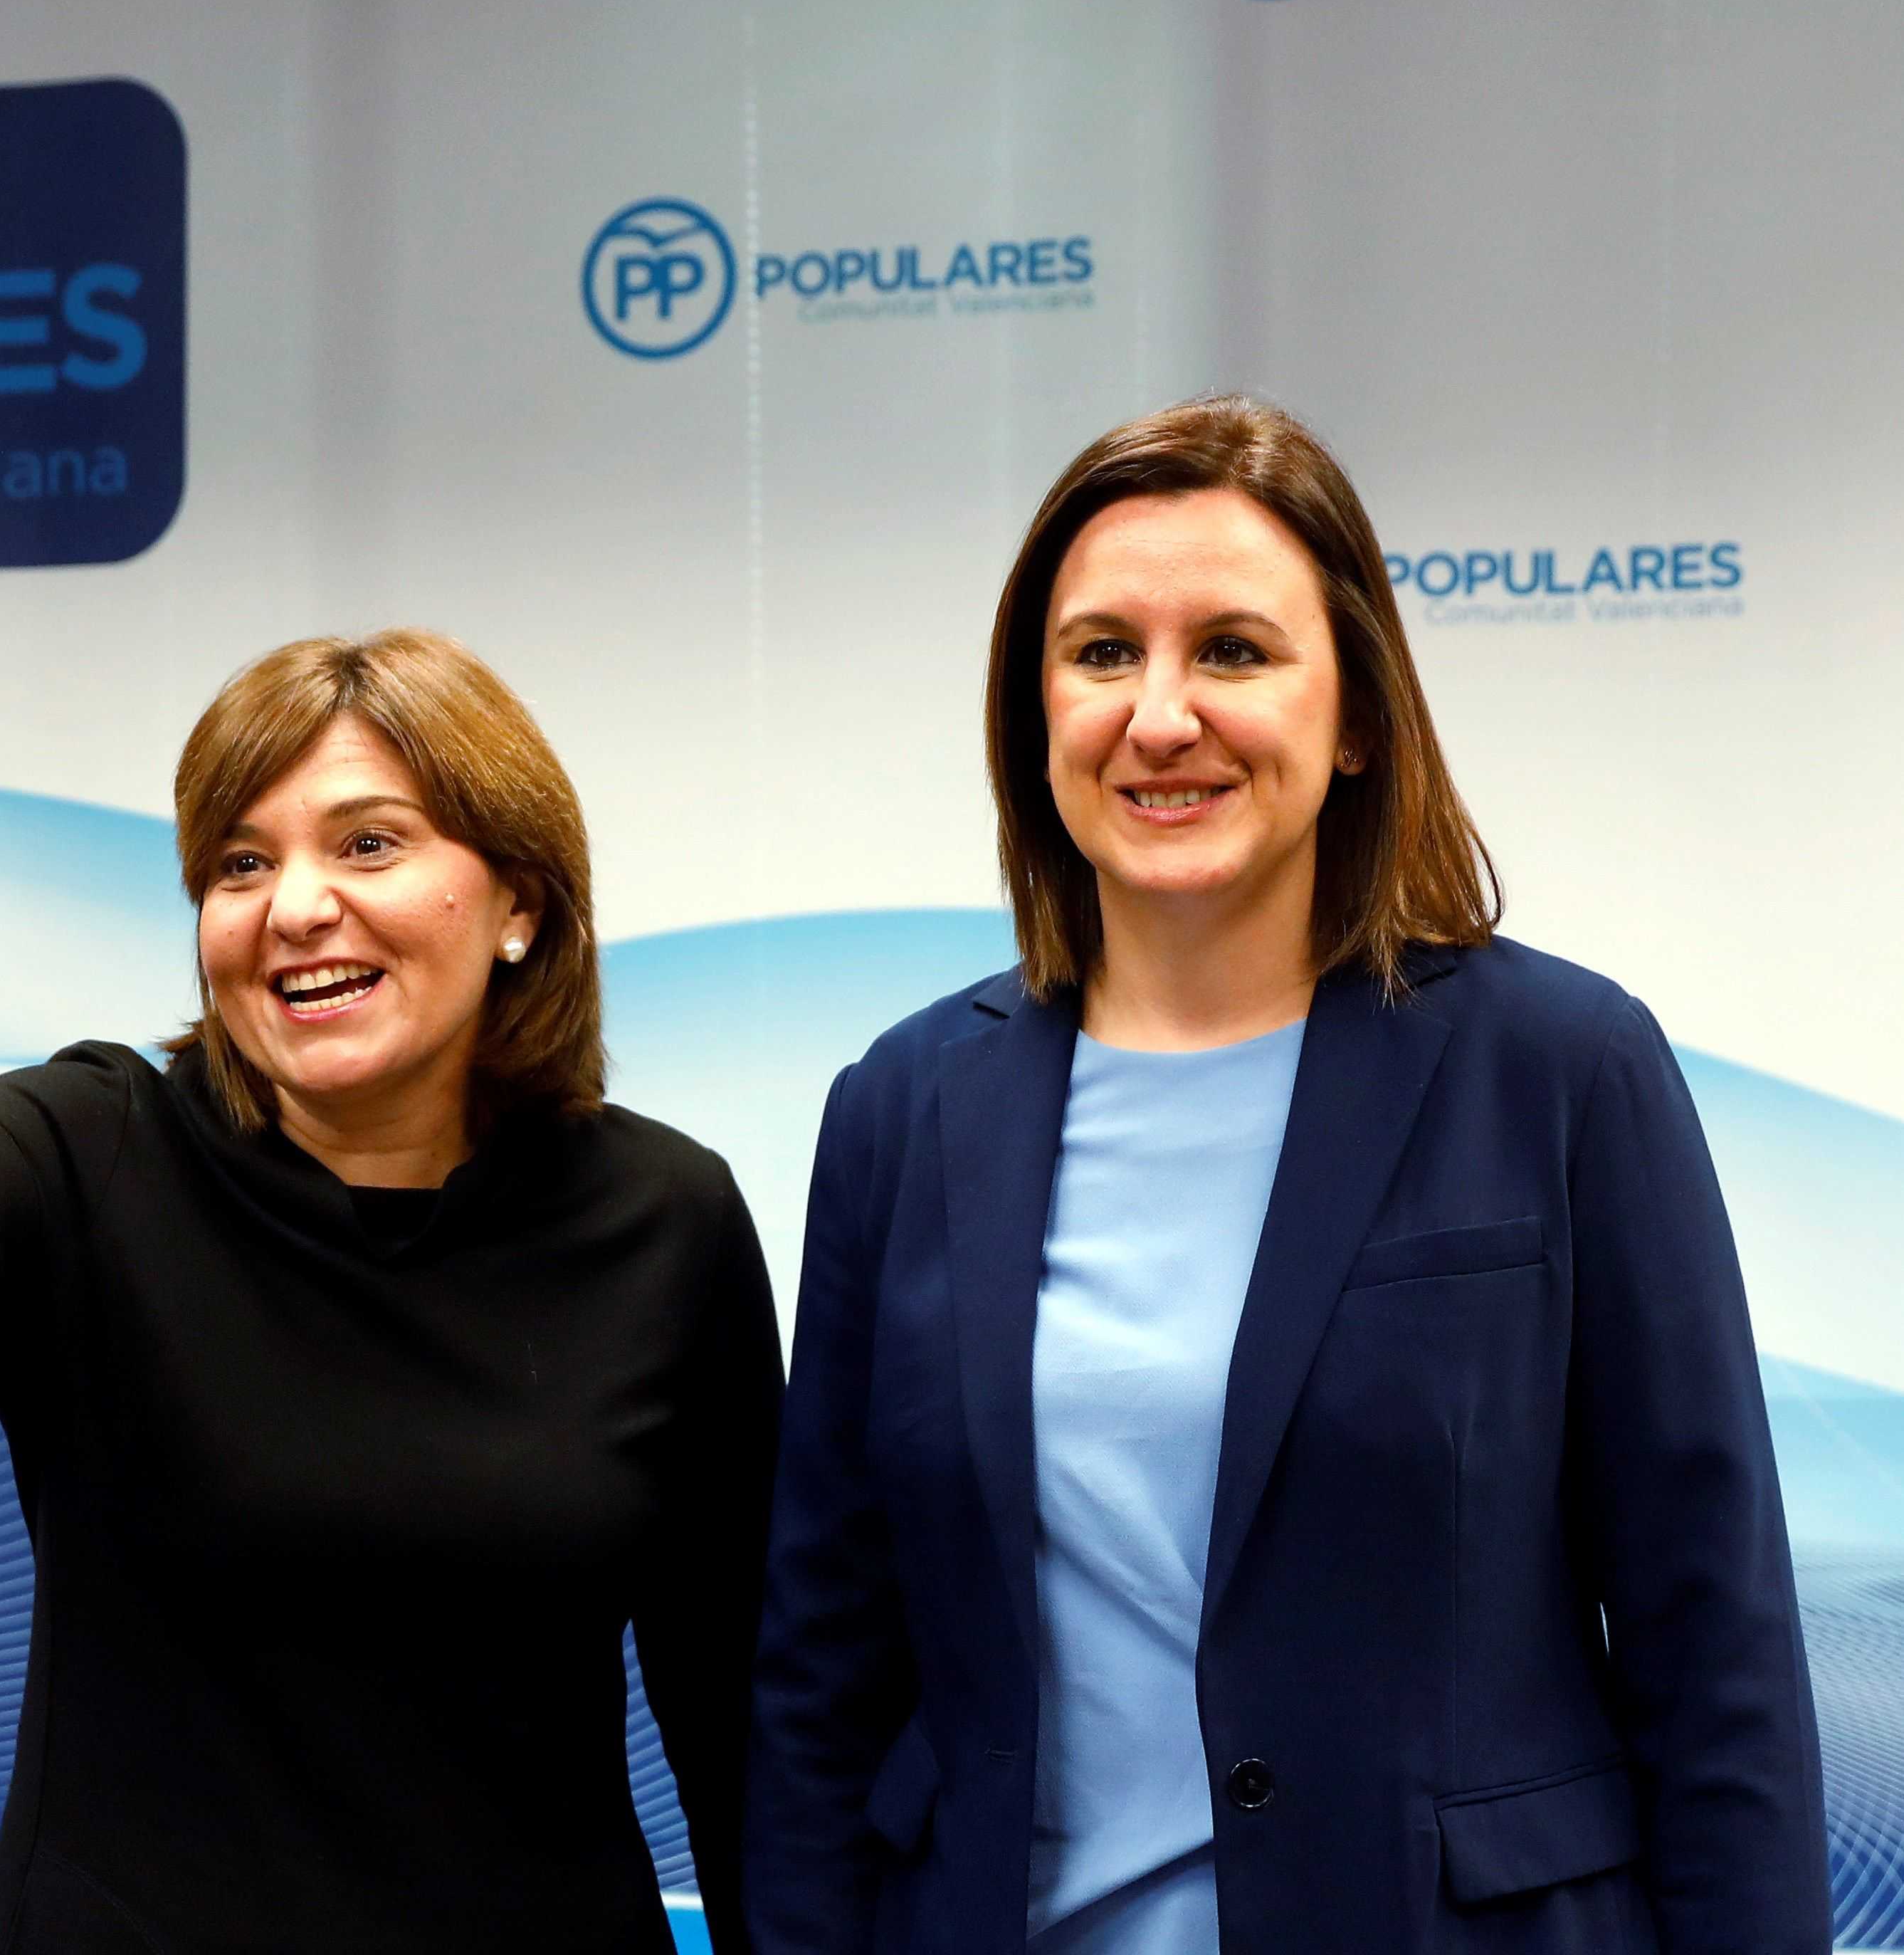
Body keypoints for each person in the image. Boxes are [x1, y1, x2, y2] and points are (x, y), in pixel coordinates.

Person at [742, 397, 1831, 1954]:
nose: (1161, 716)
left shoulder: (1562, 1070)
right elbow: (821, 1684)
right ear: (1034, 713)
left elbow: (1711, 1653)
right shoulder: (905, 1110)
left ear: (1359, 714)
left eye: (1234, 653)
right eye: (1102, 653)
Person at [0, 629, 782, 1954]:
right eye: (241, 863)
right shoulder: (97, 1149)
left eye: (369, 844)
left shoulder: (665, 1219)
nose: (296, 906)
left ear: (521, 907)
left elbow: (736, 1690)